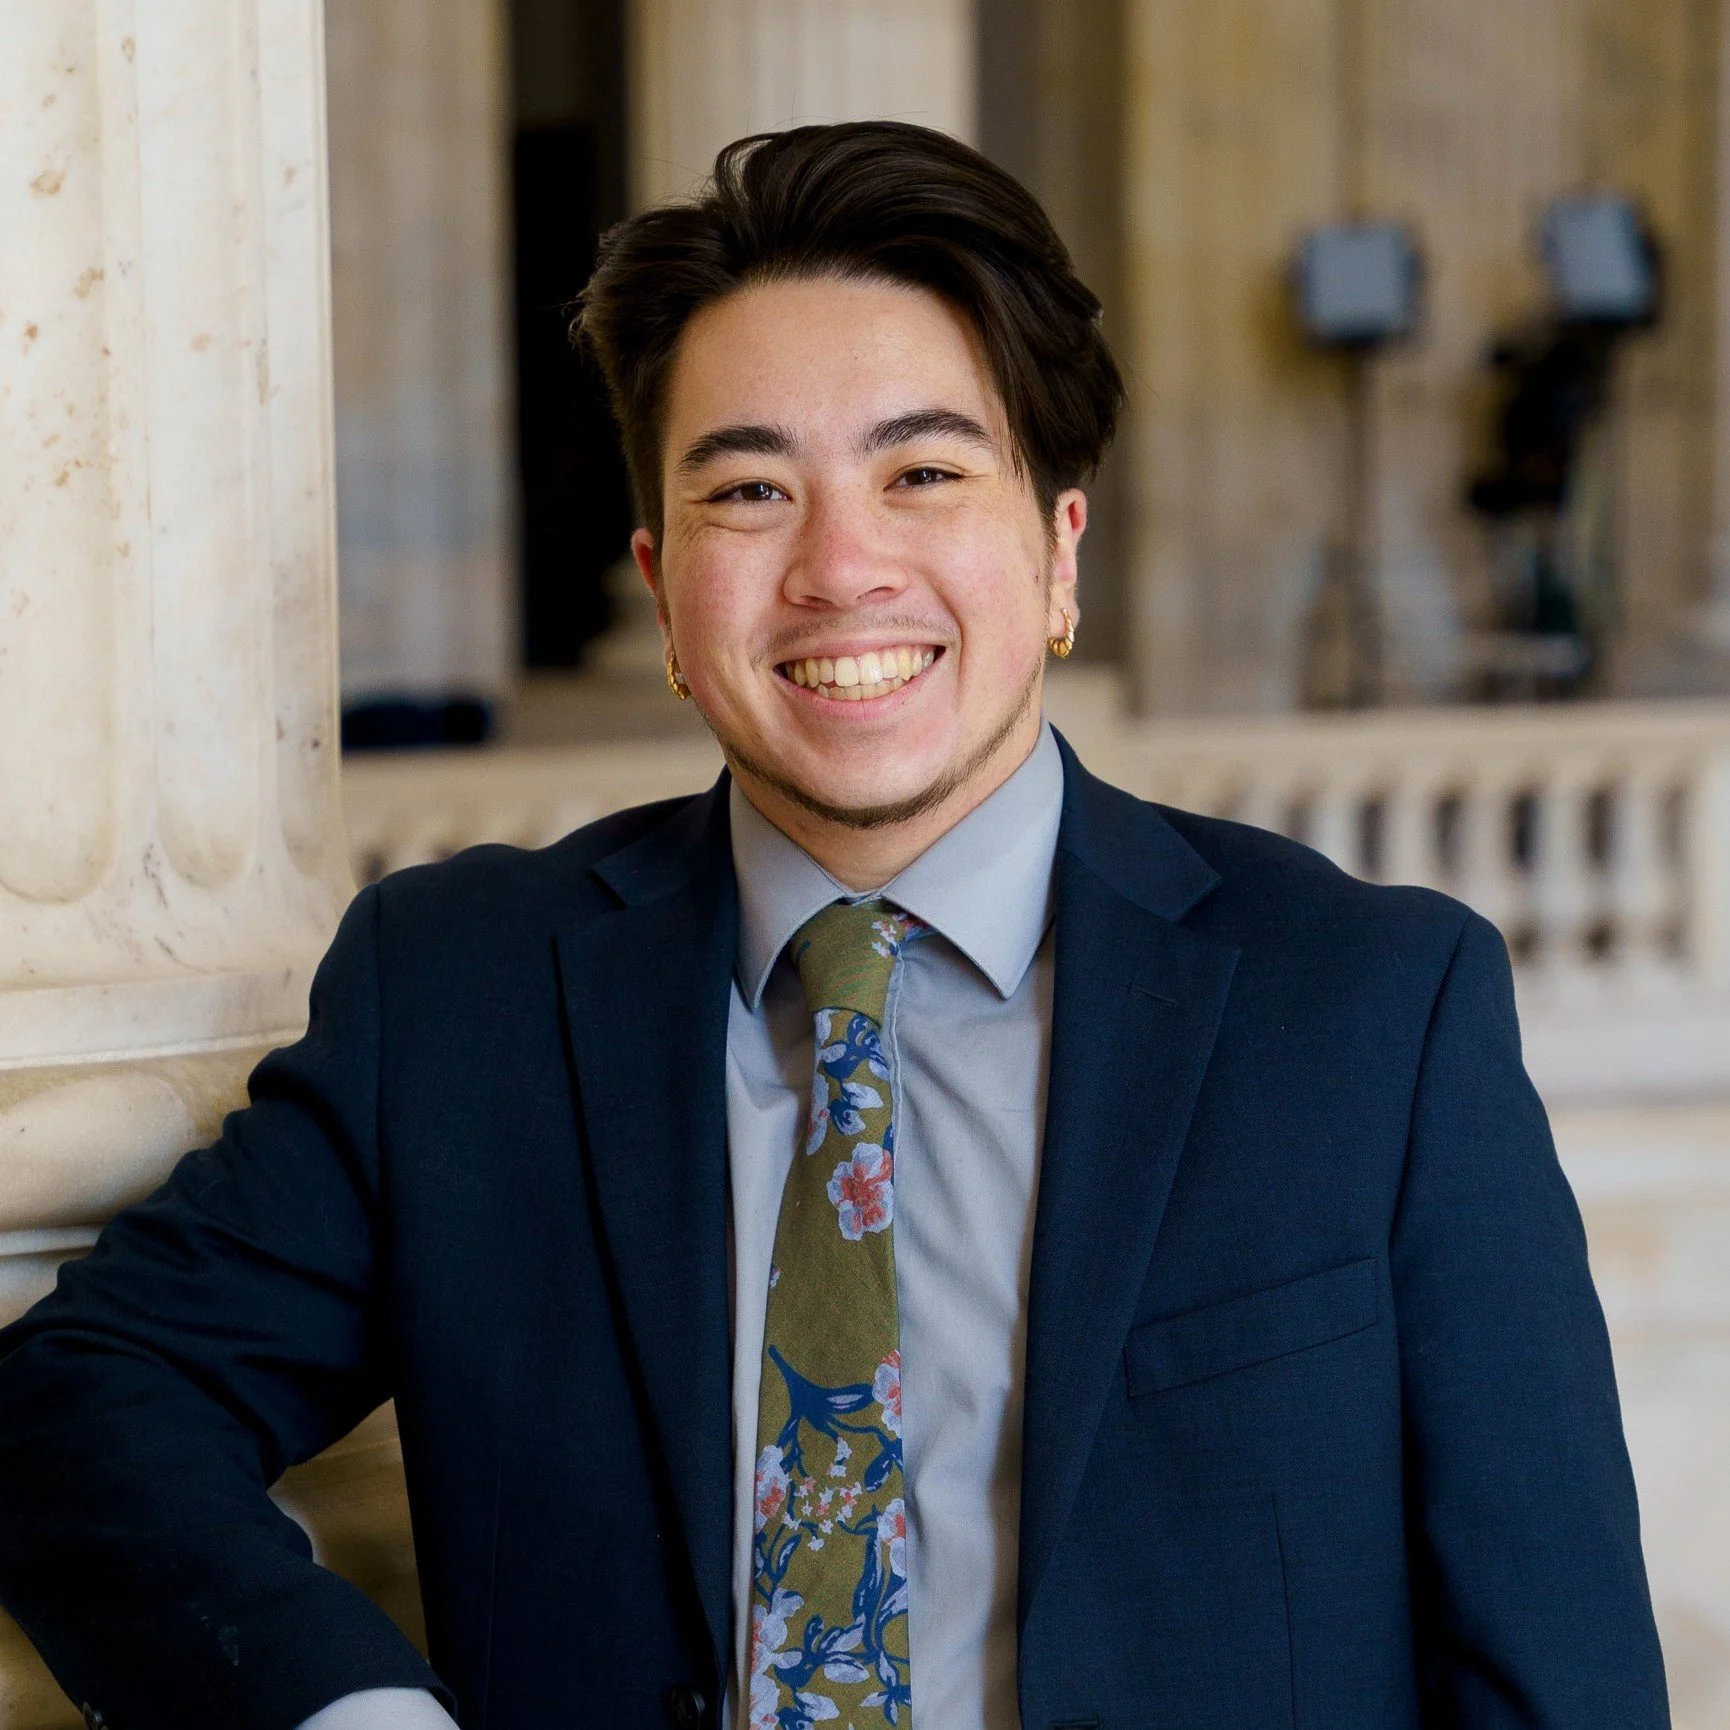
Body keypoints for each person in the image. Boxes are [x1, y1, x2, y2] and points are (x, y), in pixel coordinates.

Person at [0, 121, 1667, 1730]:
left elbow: (1555, 1666)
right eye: (748, 496)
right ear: (660, 587)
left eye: (924, 471)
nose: (840, 566)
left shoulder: (1372, 1009)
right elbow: (76, 1404)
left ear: (1057, 550)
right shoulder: (461, 1002)